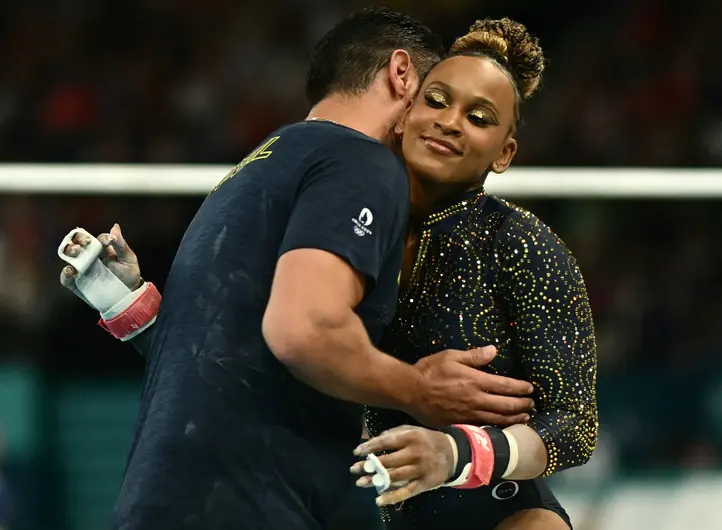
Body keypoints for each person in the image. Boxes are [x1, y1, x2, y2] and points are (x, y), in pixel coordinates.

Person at [57, 8, 535, 530]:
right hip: (248, 507)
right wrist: (422, 389)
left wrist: (131, 307)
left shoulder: (254, 170)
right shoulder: (363, 163)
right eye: (434, 97)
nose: (438, 121)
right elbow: (303, 330)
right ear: (401, 75)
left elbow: (218, 356)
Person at [350, 18, 597, 530]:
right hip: (351, 509)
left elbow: (575, 425)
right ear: (405, 114)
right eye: (437, 100)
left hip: (501, 514)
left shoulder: (522, 244)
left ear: (504, 153)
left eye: (479, 117)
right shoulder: (346, 224)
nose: (450, 122)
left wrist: (456, 454)